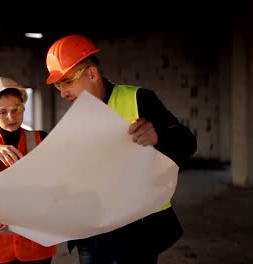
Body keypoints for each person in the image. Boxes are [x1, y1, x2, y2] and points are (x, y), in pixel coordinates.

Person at [44, 34, 197, 263]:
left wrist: (159, 136)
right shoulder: (74, 118)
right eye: (58, 85)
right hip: (91, 233)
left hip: (137, 231)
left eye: (67, 82)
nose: (62, 92)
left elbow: (186, 142)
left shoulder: (138, 100)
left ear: (92, 73)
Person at [0, 77, 57, 264]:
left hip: (35, 241)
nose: (11, 117)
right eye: (2, 112)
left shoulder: (41, 138)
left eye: (16, 109)